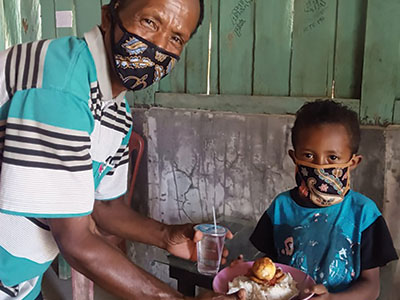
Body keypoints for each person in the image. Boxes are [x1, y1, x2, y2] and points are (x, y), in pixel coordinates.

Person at [0, 0, 245, 299]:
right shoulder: (62, 82)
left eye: (176, 38)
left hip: (19, 284)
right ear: (108, 16)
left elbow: (104, 206)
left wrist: (166, 236)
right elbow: (76, 241)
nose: (158, 46)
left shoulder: (117, 111)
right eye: (150, 22)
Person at [249, 100, 398, 299]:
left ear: (353, 162)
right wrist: (247, 272)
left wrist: (333, 299)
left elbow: (371, 287)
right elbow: (268, 267)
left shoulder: (364, 214)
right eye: (309, 155)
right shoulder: (281, 208)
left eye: (333, 158)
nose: (320, 166)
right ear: (294, 158)